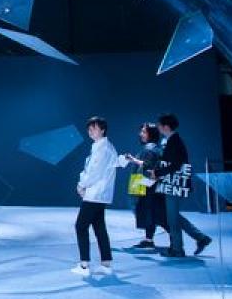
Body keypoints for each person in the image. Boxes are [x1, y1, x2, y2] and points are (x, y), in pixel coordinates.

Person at [148, 113, 212, 258]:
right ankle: (200, 238)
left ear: (166, 126)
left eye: (159, 125)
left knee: (172, 218)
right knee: (173, 216)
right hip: (172, 184)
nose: (158, 127)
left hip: (174, 184)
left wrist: (157, 173)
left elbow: (175, 165)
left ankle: (177, 249)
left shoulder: (174, 142)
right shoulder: (171, 140)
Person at [71, 116, 125, 277]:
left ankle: (84, 265)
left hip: (95, 193)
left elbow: (94, 172)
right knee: (99, 227)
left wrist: (81, 185)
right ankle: (106, 264)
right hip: (100, 194)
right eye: (89, 129)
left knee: (81, 226)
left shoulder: (102, 148)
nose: (91, 131)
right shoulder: (105, 146)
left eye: (94, 128)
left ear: (102, 129)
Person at [122, 122, 168, 248]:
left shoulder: (150, 149)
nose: (140, 134)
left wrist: (133, 159)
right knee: (151, 213)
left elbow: (147, 165)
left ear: (151, 134)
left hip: (146, 184)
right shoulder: (155, 148)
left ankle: (175, 241)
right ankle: (148, 239)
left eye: (143, 132)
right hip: (147, 184)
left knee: (154, 214)